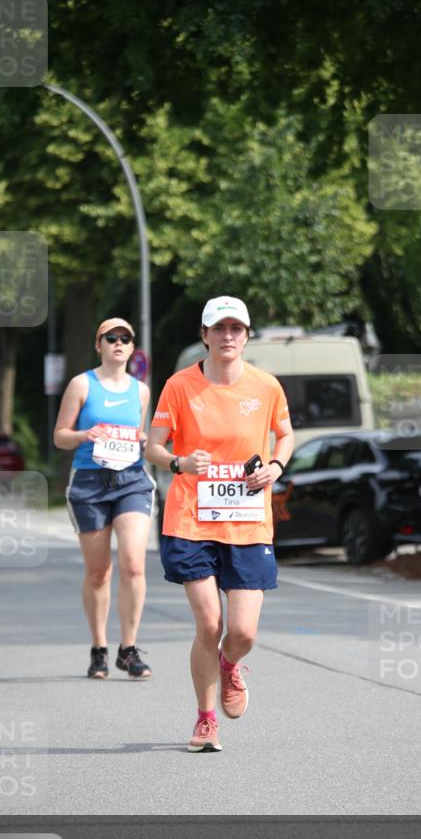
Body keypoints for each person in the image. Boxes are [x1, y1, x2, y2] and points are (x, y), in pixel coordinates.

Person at [145, 296, 294, 751]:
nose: (228, 336)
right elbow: (153, 446)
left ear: (246, 336)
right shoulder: (179, 386)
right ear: (204, 335)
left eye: (236, 328)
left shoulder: (266, 386)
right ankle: (206, 719)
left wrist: (276, 466)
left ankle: (230, 665)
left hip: (247, 523)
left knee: (243, 632)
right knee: (209, 624)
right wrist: (179, 462)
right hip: (191, 519)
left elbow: (286, 435)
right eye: (219, 328)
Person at [54, 317, 154, 680]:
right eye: (110, 337)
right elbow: (60, 436)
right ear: (99, 345)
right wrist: (85, 435)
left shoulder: (140, 391)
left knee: (134, 564)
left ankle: (129, 649)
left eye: (125, 338)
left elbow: (141, 434)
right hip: (90, 483)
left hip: (131, 481)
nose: (118, 343)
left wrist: (143, 440)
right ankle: (99, 648)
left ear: (132, 347)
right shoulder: (82, 384)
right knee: (99, 572)